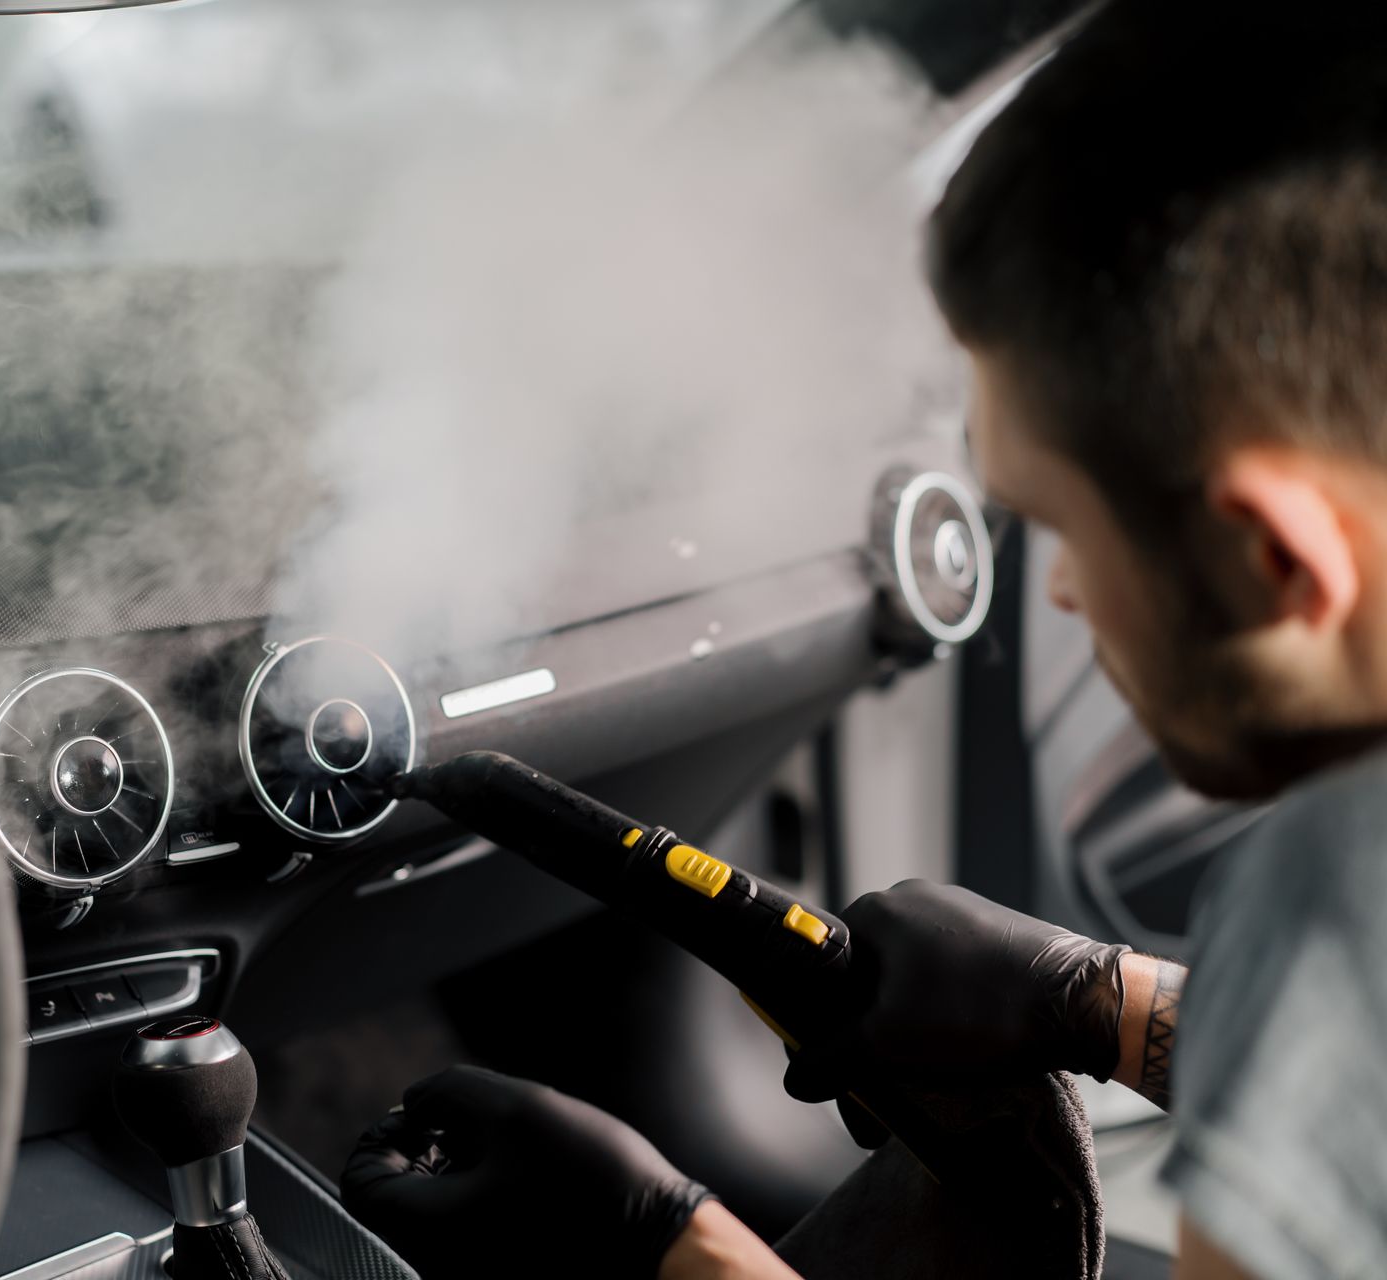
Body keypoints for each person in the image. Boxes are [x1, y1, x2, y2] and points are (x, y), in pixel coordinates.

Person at [337, 1, 1387, 1276]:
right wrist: (1099, 1002)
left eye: (1054, 525)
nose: (1055, 595)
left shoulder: (1341, 887)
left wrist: (675, 1250)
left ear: (1270, 556)